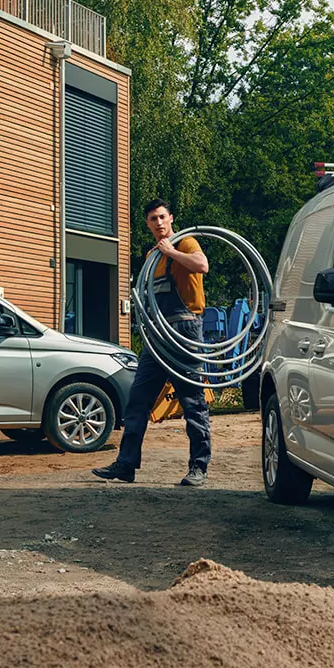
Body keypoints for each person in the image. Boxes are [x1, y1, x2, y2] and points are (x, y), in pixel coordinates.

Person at [95, 200, 212, 486]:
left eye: (162, 217)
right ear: (147, 223)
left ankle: (198, 467)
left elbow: (202, 265)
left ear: (170, 218)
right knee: (138, 400)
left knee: (192, 401)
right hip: (158, 333)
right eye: (152, 219)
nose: (158, 223)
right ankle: (126, 465)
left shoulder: (185, 243)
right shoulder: (151, 255)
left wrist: (171, 250)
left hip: (185, 330)